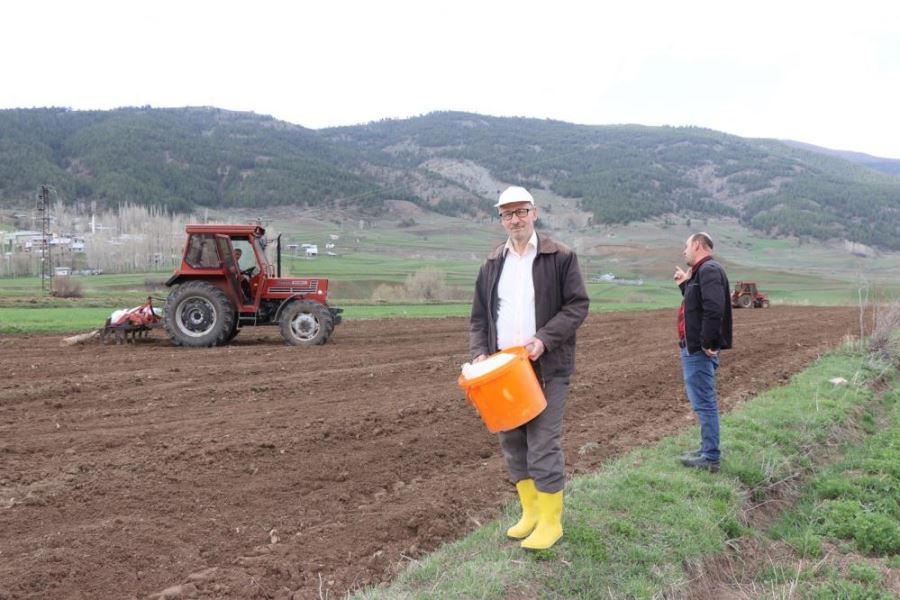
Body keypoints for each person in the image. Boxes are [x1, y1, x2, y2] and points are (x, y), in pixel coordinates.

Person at [469, 186, 589, 550]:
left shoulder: (560, 257)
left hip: (546, 366)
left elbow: (577, 305)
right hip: (502, 370)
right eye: (507, 214)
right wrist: (479, 353)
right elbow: (479, 318)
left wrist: (544, 339)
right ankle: (531, 513)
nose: (515, 219)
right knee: (513, 443)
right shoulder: (492, 264)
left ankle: (552, 522)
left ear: (534, 213)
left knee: (543, 442)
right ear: (501, 219)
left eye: (521, 211)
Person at [673, 232, 732, 473]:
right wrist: (685, 285)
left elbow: (713, 308)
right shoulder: (701, 272)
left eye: (686, 246)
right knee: (702, 401)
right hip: (695, 347)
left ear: (697, 244)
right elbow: (697, 306)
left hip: (699, 349)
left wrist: (708, 342)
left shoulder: (708, 270)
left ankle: (710, 456)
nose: (683, 251)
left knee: (705, 403)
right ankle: (706, 450)